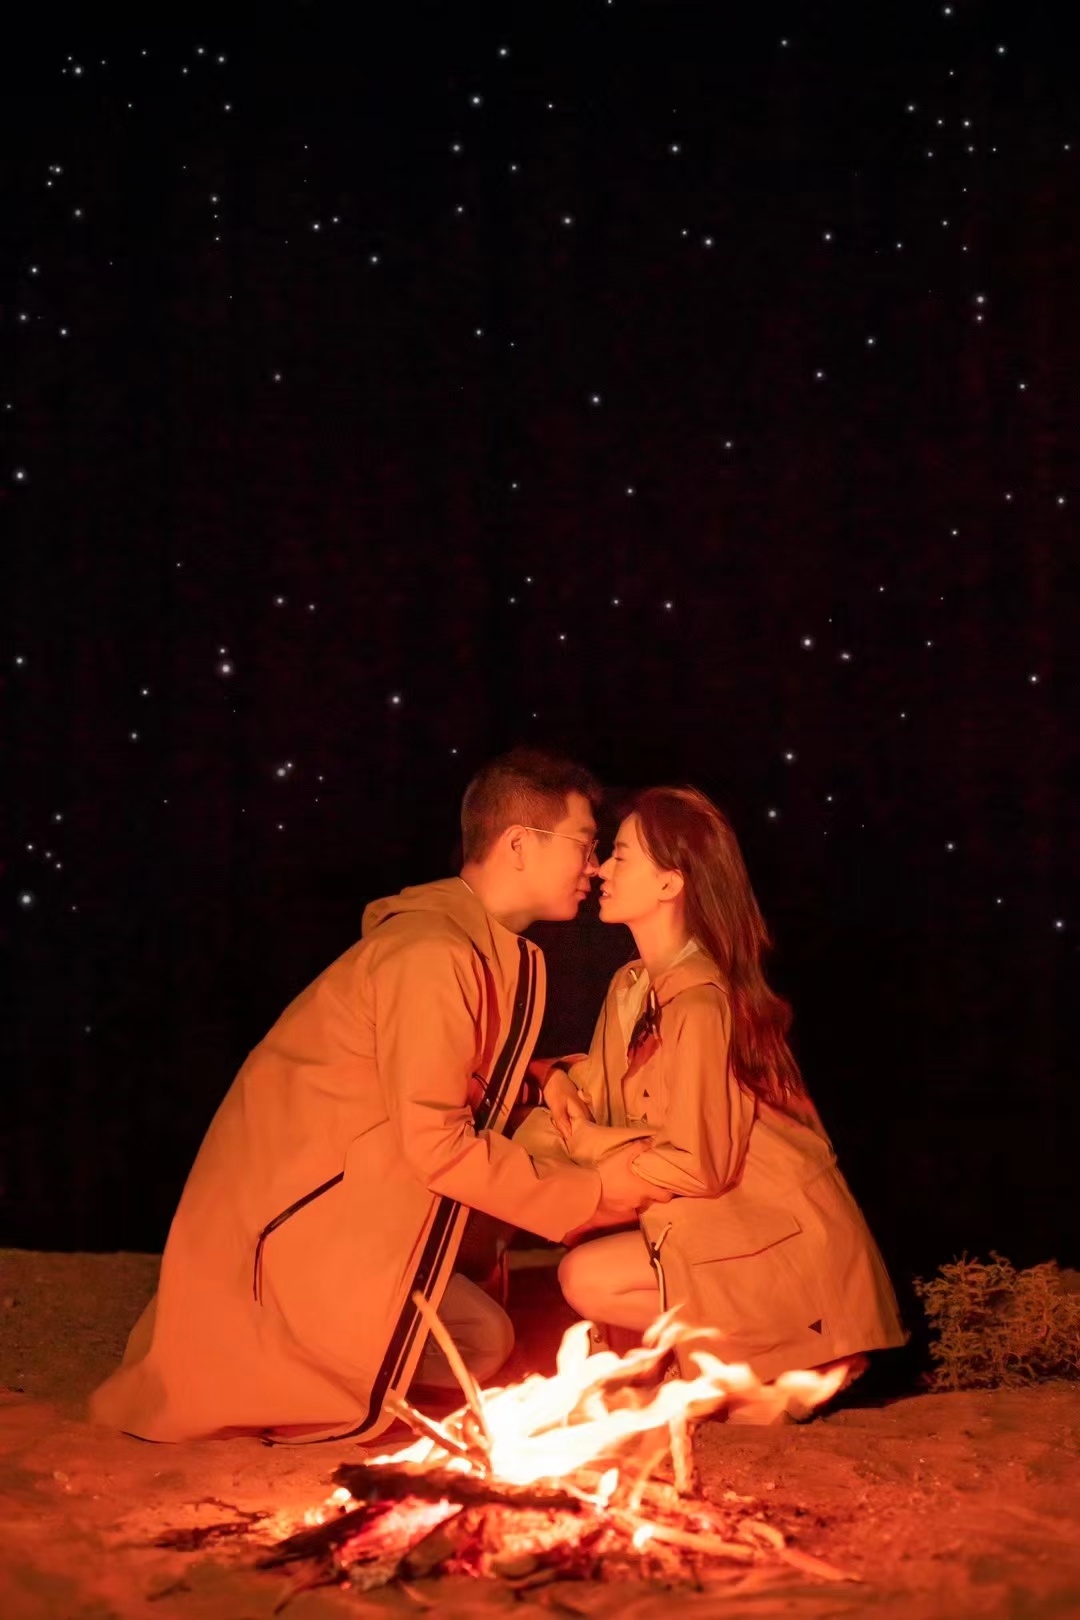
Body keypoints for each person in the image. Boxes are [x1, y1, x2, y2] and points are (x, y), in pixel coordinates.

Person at [89, 749, 667, 1444]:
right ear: (519, 844)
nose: (595, 867)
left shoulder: (468, 946)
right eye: (584, 843)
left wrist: (542, 1076)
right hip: (298, 1237)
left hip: (339, 1221)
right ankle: (277, 1355)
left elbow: (434, 1082)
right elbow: (436, 1143)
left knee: (482, 1342)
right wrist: (591, 1196)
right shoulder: (431, 954)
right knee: (458, 1351)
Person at [520, 785, 906, 1402]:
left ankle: (783, 1361)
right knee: (584, 1256)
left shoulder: (703, 1002)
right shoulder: (631, 986)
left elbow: (698, 1164)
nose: (601, 870)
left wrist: (590, 1158)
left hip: (779, 1246)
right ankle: (737, 1372)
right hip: (717, 1230)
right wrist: (554, 1078)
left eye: (621, 856)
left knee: (586, 1273)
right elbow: (598, 1091)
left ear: (670, 882)